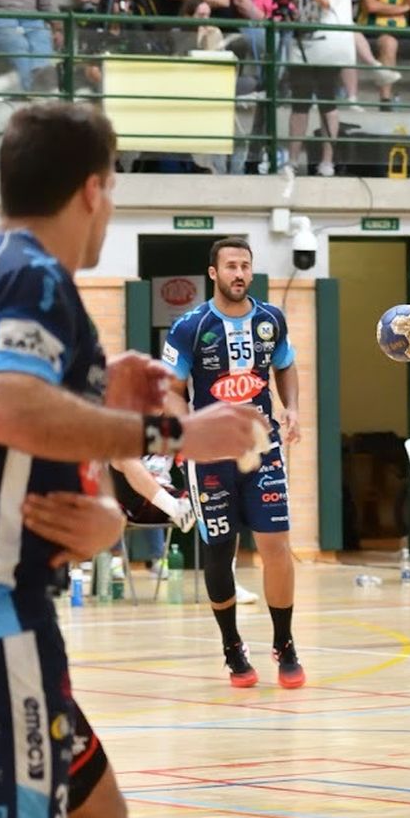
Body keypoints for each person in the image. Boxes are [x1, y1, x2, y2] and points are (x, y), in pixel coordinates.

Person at [0, 104, 262, 818]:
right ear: (95, 190)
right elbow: (1, 406)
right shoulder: (33, 275)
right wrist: (174, 431)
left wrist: (95, 389)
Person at [162, 238, 306, 688]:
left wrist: (293, 407)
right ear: (213, 273)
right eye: (230, 266)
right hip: (209, 456)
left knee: (276, 547)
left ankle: (284, 642)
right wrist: (187, 432)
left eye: (245, 265)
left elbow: (285, 365)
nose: (239, 273)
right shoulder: (190, 326)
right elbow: (170, 388)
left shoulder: (270, 319)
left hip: (263, 449)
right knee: (220, 552)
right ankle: (232, 648)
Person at [285, 0, 352, 175]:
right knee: (299, 102)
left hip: (329, 43)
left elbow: (325, 0)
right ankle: (292, 160)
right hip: (304, 41)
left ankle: (327, 160)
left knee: (327, 100)